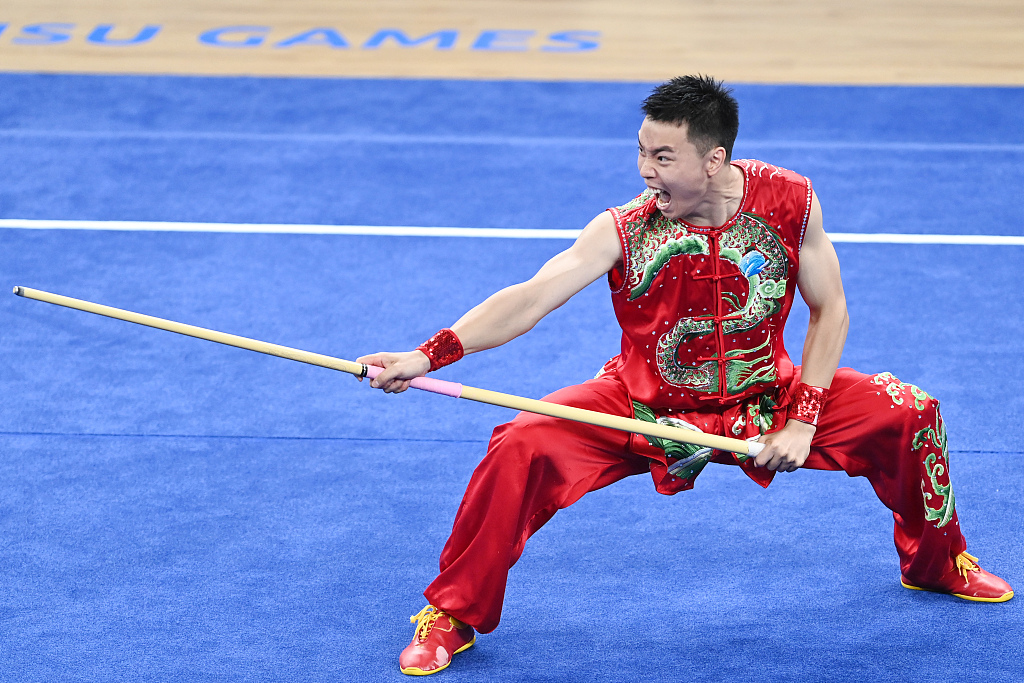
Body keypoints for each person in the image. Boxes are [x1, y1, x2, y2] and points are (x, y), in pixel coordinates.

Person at [357, 75, 1014, 676]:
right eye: (642, 153)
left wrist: (802, 418)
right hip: (642, 405)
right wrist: (426, 354)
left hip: (768, 396)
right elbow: (531, 297)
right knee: (519, 443)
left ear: (714, 160)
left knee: (912, 411)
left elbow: (831, 308)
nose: (646, 173)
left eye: (663, 158)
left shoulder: (792, 201)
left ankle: (937, 561)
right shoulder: (623, 227)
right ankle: (456, 612)